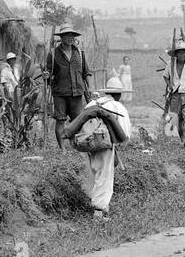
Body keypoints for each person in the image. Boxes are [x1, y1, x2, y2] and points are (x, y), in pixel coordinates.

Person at [64, 76, 131, 218]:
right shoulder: (117, 106)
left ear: (107, 92)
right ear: (118, 94)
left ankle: (99, 206)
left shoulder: (92, 104)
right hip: (104, 145)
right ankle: (99, 212)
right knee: (104, 176)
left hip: (87, 143)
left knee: (94, 172)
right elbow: (125, 134)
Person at [45, 25, 92, 149]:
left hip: (77, 93)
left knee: (77, 121)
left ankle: (76, 145)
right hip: (60, 93)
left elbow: (86, 72)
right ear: (61, 37)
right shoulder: (53, 54)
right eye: (67, 35)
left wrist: (90, 88)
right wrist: (46, 76)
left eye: (72, 35)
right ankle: (62, 149)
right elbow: (49, 73)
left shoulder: (80, 53)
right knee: (60, 120)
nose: (70, 38)